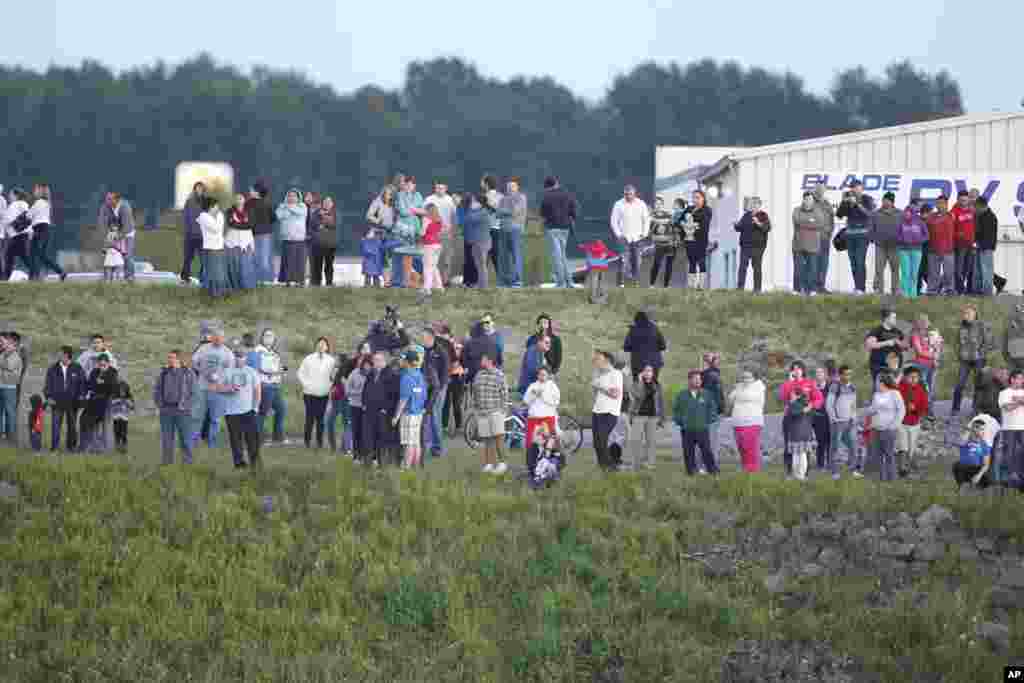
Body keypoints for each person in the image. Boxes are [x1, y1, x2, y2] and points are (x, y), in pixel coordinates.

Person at [218, 343, 262, 469]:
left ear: (246, 358)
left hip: (248, 411)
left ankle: (255, 463)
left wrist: (255, 408)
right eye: (237, 356)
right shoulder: (226, 372)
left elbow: (257, 390)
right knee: (236, 440)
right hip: (231, 412)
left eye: (242, 356)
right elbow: (218, 387)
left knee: (252, 439)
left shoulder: (251, 372)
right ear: (233, 357)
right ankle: (239, 464)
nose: (239, 358)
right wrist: (228, 388)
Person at [859, 372, 906, 482]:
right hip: (876, 429)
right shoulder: (876, 395)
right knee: (878, 455)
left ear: (883, 383)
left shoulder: (895, 394)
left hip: (889, 429)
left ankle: (892, 478)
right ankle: (882, 478)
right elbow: (873, 409)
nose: (875, 383)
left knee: (889, 455)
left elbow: (901, 410)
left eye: (877, 381)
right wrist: (862, 413)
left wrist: (894, 425)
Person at [672, 369, 719, 475]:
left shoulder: (706, 394)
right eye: (695, 379)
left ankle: (713, 470)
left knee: (706, 450)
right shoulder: (682, 395)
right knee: (688, 452)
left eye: (699, 379)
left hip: (702, 428)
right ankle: (691, 471)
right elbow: (676, 410)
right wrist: (681, 421)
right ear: (689, 380)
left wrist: (707, 421)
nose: (698, 381)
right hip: (687, 429)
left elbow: (712, 409)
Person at [153, 349, 195, 465]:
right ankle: (167, 463)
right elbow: (157, 390)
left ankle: (187, 463)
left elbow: (194, 393)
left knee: (185, 439)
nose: (169, 360)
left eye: (172, 357)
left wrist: (187, 406)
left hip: (182, 411)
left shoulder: (188, 373)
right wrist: (160, 404)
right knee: (166, 439)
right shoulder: (164, 373)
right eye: (169, 357)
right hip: (166, 410)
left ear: (179, 359)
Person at [834, 180, 875, 294]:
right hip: (850, 235)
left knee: (860, 261)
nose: (854, 189)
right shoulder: (847, 198)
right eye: (852, 187)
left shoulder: (867, 199)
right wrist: (844, 202)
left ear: (861, 188)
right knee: (853, 262)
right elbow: (839, 215)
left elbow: (870, 214)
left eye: (857, 187)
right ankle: (857, 287)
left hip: (862, 235)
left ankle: (861, 288)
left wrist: (857, 204)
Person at [952, 304, 993, 416]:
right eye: (965, 313)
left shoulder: (981, 325)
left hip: (978, 359)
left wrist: (981, 354)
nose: (966, 315)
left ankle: (976, 409)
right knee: (959, 384)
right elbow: (957, 343)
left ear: (975, 314)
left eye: (969, 313)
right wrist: (959, 354)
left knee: (978, 384)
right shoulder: (962, 326)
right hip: (964, 360)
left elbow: (988, 342)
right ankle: (955, 409)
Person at [361, 351, 400, 466]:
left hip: (382, 412)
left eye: (379, 360)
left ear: (385, 361)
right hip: (369, 410)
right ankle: (370, 461)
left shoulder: (392, 375)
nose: (376, 362)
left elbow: (394, 396)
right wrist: (364, 403)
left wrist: (385, 409)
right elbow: (365, 390)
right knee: (368, 436)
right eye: (375, 360)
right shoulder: (371, 374)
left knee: (381, 438)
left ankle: (381, 462)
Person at [43, 346, 85, 452]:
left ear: (66, 355)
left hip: (72, 402)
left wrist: (81, 397)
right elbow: (48, 384)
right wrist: (48, 397)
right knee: (55, 426)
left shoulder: (77, 368)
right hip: (57, 402)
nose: (58, 355)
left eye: (60, 353)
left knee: (72, 426)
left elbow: (82, 384)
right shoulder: (53, 368)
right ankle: (54, 447)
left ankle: (71, 447)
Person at [472, 354, 509, 474]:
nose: (480, 361)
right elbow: (475, 392)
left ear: (489, 360)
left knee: (498, 438)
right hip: (482, 412)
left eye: (483, 359)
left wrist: (503, 411)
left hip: (496, 411)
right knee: (487, 439)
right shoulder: (479, 375)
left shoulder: (499, 375)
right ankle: (489, 464)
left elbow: (504, 394)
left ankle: (502, 463)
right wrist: (476, 409)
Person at [297, 337, 336, 450]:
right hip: (309, 393)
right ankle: (307, 441)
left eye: (324, 344)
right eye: (319, 344)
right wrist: (306, 384)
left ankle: (319, 442)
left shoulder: (331, 360)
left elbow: (333, 376)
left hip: (323, 394)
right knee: (309, 418)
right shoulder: (308, 358)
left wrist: (330, 387)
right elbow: (300, 373)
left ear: (327, 347)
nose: (321, 346)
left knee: (321, 420)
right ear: (316, 345)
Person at [539, 176, 578, 288]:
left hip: (552, 229)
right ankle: (569, 282)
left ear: (547, 187)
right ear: (556, 183)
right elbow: (574, 211)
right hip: (565, 228)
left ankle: (560, 283)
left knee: (557, 256)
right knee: (563, 255)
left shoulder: (547, 196)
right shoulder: (567, 194)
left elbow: (542, 213)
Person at [609, 185, 649, 287]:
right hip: (624, 237)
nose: (628, 196)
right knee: (623, 260)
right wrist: (619, 235)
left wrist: (644, 234)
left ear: (634, 194)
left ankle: (634, 282)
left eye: (630, 194)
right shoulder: (618, 204)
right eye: (626, 194)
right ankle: (621, 283)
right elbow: (614, 221)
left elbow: (646, 220)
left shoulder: (641, 204)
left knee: (637, 260)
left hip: (638, 238)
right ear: (624, 194)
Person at [393, 351, 427, 469]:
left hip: (409, 413)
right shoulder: (420, 375)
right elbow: (424, 395)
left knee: (408, 442)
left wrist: (396, 417)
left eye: (404, 360)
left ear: (407, 362)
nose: (402, 362)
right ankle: (416, 466)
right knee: (416, 441)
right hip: (419, 412)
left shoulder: (406, 378)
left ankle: (406, 467)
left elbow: (403, 400)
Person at [627, 364, 665, 470]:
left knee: (651, 441)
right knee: (636, 441)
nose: (648, 373)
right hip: (638, 416)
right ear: (642, 373)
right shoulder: (635, 384)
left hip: (653, 416)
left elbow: (661, 402)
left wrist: (662, 418)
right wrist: (640, 382)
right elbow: (638, 395)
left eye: (650, 371)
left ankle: (650, 463)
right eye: (646, 371)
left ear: (653, 373)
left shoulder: (657, 385)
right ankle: (636, 464)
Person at [591, 351, 623, 471]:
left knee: (602, 439)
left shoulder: (616, 374)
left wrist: (600, 386)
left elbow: (615, 394)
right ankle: (602, 465)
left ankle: (610, 466)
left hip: (610, 412)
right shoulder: (600, 375)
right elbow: (596, 395)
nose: (596, 361)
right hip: (597, 411)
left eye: (598, 359)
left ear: (607, 360)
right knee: (596, 442)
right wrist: (596, 384)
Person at [392, 176, 427, 288]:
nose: (408, 186)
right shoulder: (399, 195)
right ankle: (398, 282)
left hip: (415, 230)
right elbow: (403, 211)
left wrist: (413, 210)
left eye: (411, 184)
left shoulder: (418, 195)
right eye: (406, 184)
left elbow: (423, 211)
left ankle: (424, 279)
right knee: (400, 255)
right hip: (402, 230)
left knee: (416, 256)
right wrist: (415, 210)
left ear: (414, 185)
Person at [728, 369, 765, 473]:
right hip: (738, 421)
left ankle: (752, 468)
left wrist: (738, 390)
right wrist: (737, 389)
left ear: (754, 378)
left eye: (748, 377)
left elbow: (748, 396)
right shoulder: (739, 387)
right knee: (741, 446)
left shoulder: (758, 387)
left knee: (750, 446)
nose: (745, 380)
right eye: (743, 377)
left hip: (752, 421)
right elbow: (730, 399)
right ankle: (745, 466)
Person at [421, 329, 450, 459]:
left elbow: (445, 372)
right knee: (426, 416)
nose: (423, 340)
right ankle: (427, 444)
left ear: (431, 338)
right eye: (422, 338)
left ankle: (437, 448)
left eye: (425, 337)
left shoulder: (441, 352)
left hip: (438, 389)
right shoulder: (422, 351)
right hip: (424, 387)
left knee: (434, 416)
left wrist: (440, 389)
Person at [27, 184, 66, 281]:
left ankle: (59, 271)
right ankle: (33, 277)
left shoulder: (39, 202)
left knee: (37, 255)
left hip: (39, 230)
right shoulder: (47, 203)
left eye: (35, 190)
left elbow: (29, 215)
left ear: (40, 192)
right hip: (44, 230)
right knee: (38, 255)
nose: (34, 191)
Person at [80, 354, 117, 453]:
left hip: (107, 402)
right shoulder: (94, 371)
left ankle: (107, 449)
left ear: (108, 363)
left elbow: (112, 387)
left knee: (106, 426)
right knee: (94, 425)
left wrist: (102, 383)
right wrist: (97, 384)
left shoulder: (113, 372)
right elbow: (90, 385)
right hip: (94, 402)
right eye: (100, 364)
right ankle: (95, 447)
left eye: (104, 365)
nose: (102, 366)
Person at [826, 365, 858, 479]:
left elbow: (853, 405)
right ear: (840, 375)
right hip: (837, 423)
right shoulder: (835, 387)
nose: (848, 376)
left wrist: (854, 417)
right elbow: (829, 404)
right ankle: (834, 471)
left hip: (850, 422)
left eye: (849, 374)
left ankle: (853, 469)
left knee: (853, 446)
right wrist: (834, 418)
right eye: (845, 374)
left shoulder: (853, 387)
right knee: (835, 447)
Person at [867, 191, 902, 295]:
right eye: (883, 200)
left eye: (886, 200)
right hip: (880, 246)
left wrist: (901, 240)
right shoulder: (875, 213)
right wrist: (873, 238)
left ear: (892, 202)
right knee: (879, 269)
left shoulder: (900, 213)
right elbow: (870, 228)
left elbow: (904, 228)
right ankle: (878, 290)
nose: (884, 202)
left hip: (895, 247)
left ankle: (895, 290)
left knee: (895, 269)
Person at [792, 192, 826, 295]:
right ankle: (797, 289)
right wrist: (811, 221)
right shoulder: (796, 210)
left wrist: (806, 223)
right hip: (798, 245)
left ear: (813, 201)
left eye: (810, 199)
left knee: (812, 269)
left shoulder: (818, 211)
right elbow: (797, 221)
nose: (808, 201)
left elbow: (820, 223)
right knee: (798, 269)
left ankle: (812, 290)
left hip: (813, 245)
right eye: (806, 199)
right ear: (803, 200)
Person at [897, 367, 928, 476]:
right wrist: (905, 406)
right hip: (901, 422)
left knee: (911, 446)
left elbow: (924, 406)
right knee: (903, 446)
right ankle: (902, 467)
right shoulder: (900, 388)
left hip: (914, 423)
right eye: (911, 377)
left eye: (916, 377)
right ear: (905, 378)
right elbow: (895, 403)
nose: (914, 379)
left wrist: (915, 409)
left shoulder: (921, 390)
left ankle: (911, 461)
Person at [425, 181, 457, 286]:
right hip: (433, 234)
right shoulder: (429, 199)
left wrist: (452, 231)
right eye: (437, 188)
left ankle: (445, 280)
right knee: (434, 260)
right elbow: (424, 214)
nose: (439, 190)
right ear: (434, 188)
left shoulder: (450, 200)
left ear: (446, 188)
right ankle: (435, 282)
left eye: (442, 188)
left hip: (447, 233)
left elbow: (453, 216)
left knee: (447, 259)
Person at [735, 200, 771, 293]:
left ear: (759, 205)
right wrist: (736, 225)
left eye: (755, 205)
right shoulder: (746, 215)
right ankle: (740, 288)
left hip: (758, 247)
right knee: (742, 267)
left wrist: (758, 223)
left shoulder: (763, 215)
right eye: (752, 205)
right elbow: (739, 227)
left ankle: (757, 289)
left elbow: (767, 228)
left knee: (757, 267)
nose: (753, 206)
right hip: (745, 246)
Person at [497, 177, 527, 288]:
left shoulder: (521, 197)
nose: (510, 188)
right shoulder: (503, 199)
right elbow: (497, 213)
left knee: (516, 255)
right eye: (508, 186)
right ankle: (504, 281)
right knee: (503, 257)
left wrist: (504, 211)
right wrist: (506, 212)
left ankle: (517, 281)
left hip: (516, 229)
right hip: (503, 229)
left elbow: (515, 211)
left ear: (517, 187)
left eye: (512, 186)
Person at [273, 189, 308, 286]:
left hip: (299, 239)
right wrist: (288, 210)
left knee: (299, 262)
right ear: (286, 197)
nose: (291, 198)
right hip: (287, 239)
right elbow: (279, 215)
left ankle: (300, 281)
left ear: (298, 197)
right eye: (289, 196)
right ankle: (287, 281)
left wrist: (288, 208)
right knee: (287, 261)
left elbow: (300, 213)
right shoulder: (281, 206)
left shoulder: (303, 206)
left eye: (294, 196)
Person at [197, 196, 229, 298]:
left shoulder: (219, 215)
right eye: (216, 206)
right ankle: (214, 293)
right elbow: (215, 229)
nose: (218, 208)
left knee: (220, 271)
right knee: (213, 272)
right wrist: (218, 218)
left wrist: (218, 217)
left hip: (219, 246)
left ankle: (221, 293)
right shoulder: (203, 217)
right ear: (210, 207)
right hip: (210, 248)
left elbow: (219, 227)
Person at [864, 308, 905, 385]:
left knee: (894, 390)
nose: (895, 320)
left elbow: (905, 346)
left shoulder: (897, 331)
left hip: (895, 368)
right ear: (886, 319)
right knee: (881, 389)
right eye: (893, 318)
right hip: (880, 367)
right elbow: (868, 345)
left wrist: (900, 344)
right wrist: (886, 343)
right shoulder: (877, 330)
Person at [925, 195, 956, 295]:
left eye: (942, 203)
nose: (940, 205)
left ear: (947, 205)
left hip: (948, 250)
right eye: (938, 203)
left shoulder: (952, 216)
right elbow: (926, 231)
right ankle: (932, 291)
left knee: (949, 273)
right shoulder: (930, 217)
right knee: (933, 274)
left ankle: (949, 291)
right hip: (933, 251)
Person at [225, 193, 256, 292]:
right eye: (237, 198)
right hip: (232, 240)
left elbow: (251, 224)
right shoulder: (230, 211)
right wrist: (243, 224)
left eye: (241, 198)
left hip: (246, 240)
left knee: (246, 263)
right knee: (233, 263)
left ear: (244, 200)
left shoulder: (250, 210)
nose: (238, 200)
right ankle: (234, 286)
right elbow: (230, 223)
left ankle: (247, 285)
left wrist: (238, 224)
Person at [524, 366, 560, 451]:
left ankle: (547, 462)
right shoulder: (533, 385)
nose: (541, 377)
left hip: (547, 418)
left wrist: (543, 396)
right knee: (532, 445)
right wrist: (534, 395)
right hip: (534, 418)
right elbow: (526, 400)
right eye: (539, 375)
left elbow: (556, 401)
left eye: (543, 375)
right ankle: (532, 463)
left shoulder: (552, 386)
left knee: (548, 444)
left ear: (548, 375)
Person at [623, 311, 667, 382]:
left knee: (638, 386)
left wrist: (636, 347)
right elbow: (663, 346)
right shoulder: (655, 328)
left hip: (638, 364)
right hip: (654, 364)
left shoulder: (633, 329)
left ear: (636, 320)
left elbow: (626, 347)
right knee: (653, 385)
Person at [896, 203, 928, 298]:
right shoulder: (901, 222)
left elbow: (926, 236)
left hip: (917, 251)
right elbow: (897, 235)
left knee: (914, 273)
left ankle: (913, 294)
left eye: (909, 212)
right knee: (905, 273)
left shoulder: (920, 222)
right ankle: (904, 293)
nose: (907, 214)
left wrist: (918, 241)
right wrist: (903, 240)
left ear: (913, 213)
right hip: (903, 251)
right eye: (905, 212)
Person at [683, 190, 713, 290]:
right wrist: (689, 225)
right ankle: (691, 285)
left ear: (703, 198)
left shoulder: (707, 210)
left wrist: (691, 224)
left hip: (701, 240)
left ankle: (701, 285)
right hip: (689, 240)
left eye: (697, 197)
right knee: (691, 262)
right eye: (694, 197)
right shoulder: (689, 209)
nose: (695, 200)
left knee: (701, 261)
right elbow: (681, 221)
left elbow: (704, 224)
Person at [999, 370, 1024, 489]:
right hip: (1009, 428)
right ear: (1012, 379)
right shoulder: (1004, 393)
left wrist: (1018, 401)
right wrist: (1020, 402)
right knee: (1009, 453)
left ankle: (1020, 477)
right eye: (1019, 378)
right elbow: (1007, 407)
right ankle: (1008, 478)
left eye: (1022, 378)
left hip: (1022, 427)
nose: (1022, 381)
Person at [784, 387, 815, 481]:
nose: (790, 396)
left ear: (797, 395)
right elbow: (811, 416)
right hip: (806, 433)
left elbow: (793, 414)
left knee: (798, 456)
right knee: (802, 455)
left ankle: (799, 475)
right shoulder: (806, 404)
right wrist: (806, 409)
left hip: (796, 434)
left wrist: (803, 410)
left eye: (792, 394)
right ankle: (801, 475)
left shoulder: (793, 404)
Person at [247, 179, 275, 285]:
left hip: (264, 235)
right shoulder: (248, 203)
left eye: (252, 189)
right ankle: (254, 280)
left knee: (264, 259)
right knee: (253, 258)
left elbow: (273, 217)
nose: (250, 191)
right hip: (251, 235)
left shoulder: (266, 203)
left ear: (257, 191)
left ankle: (265, 280)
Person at [463, 314, 504, 384]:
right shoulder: (495, 343)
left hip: (474, 377)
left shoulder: (469, 343)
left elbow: (464, 361)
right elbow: (500, 361)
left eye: (487, 322)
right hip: (492, 377)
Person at [648, 196, 678, 288]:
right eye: (656, 204)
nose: (658, 205)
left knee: (669, 265)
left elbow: (673, 228)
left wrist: (675, 240)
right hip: (658, 245)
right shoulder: (650, 216)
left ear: (662, 205)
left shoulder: (668, 215)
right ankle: (652, 284)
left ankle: (666, 286)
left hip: (670, 244)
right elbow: (649, 232)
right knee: (656, 264)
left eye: (660, 204)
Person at [954, 419, 993, 490]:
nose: (979, 431)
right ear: (972, 429)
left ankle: (978, 487)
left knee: (989, 473)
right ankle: (961, 486)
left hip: (976, 469)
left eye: (982, 429)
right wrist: (969, 431)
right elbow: (960, 441)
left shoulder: (984, 445)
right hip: (964, 468)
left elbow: (986, 464)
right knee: (957, 465)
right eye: (977, 428)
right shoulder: (966, 441)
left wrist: (979, 475)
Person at [2, 188, 32, 280]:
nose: (9, 196)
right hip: (20, 236)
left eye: (11, 194)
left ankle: (5, 278)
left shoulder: (16, 204)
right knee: (11, 257)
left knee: (10, 257)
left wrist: (8, 222)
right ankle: (5, 278)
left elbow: (7, 219)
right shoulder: (24, 204)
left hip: (18, 236)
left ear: (16, 195)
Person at [345, 355, 371, 456]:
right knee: (356, 430)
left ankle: (365, 454)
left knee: (366, 432)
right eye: (366, 364)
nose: (367, 367)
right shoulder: (354, 373)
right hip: (355, 406)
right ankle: (356, 454)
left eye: (369, 365)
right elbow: (347, 391)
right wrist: (360, 392)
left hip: (368, 408)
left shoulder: (373, 374)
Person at [951, 190, 976, 295]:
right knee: (958, 269)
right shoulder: (954, 212)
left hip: (970, 244)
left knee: (968, 268)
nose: (963, 202)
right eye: (961, 200)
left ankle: (963, 288)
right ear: (958, 200)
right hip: (959, 245)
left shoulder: (972, 211)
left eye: (965, 200)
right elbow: (950, 228)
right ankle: (959, 289)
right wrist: (957, 234)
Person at [526, 423, 566, 489]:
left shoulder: (551, 443)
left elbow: (560, 458)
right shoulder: (533, 448)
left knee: (551, 465)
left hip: (550, 465)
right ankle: (538, 481)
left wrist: (550, 448)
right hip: (538, 468)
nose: (541, 438)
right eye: (539, 434)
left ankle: (548, 480)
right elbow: (531, 464)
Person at [310, 195, 338, 287]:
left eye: (329, 202)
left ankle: (329, 283)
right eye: (325, 202)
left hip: (330, 244)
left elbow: (333, 224)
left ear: (332, 204)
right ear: (322, 204)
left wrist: (323, 218)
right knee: (317, 265)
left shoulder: (335, 213)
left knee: (329, 265)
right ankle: (316, 283)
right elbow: (313, 224)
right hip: (318, 244)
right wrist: (322, 224)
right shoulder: (316, 213)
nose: (327, 204)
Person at [418, 203, 444, 301]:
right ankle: (439, 286)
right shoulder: (439, 219)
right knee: (433, 266)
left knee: (427, 268)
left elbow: (422, 232)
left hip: (429, 245)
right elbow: (440, 231)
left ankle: (427, 288)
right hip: (437, 245)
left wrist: (420, 239)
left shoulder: (426, 219)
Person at [181, 182, 206, 283]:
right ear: (194, 189)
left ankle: (203, 278)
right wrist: (187, 231)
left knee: (203, 258)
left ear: (203, 190)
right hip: (190, 235)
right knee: (188, 257)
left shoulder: (206, 202)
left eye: (201, 188)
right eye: (197, 188)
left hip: (202, 235)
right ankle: (185, 277)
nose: (199, 190)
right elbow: (186, 217)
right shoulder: (189, 201)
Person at [812, 184, 834, 292]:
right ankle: (813, 286)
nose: (820, 192)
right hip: (813, 238)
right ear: (814, 191)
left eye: (822, 190)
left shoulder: (827, 204)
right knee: (813, 262)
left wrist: (829, 233)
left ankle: (821, 286)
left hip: (825, 238)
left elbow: (831, 219)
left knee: (824, 262)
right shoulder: (810, 202)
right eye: (818, 190)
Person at [0, 335, 22, 443]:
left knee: (10, 411)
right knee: (1, 411)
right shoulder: (3, 354)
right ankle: (2, 433)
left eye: (9, 344)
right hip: (1, 385)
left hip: (10, 387)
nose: (6, 346)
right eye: (6, 344)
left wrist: (3, 364)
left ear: (14, 346)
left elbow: (8, 366)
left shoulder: (16, 357)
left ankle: (11, 435)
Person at [974, 196, 998, 296]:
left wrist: (980, 244)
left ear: (981, 206)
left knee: (987, 271)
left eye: (976, 207)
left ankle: (987, 293)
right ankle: (978, 291)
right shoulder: (982, 215)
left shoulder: (990, 217)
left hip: (986, 248)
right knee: (979, 271)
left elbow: (988, 235)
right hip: (981, 247)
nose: (975, 209)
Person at [579, 239, 614, 304]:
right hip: (601, 265)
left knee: (594, 280)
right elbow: (610, 254)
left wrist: (583, 247)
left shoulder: (591, 246)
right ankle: (599, 296)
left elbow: (583, 247)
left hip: (594, 265)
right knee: (601, 280)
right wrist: (606, 255)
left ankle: (594, 297)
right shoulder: (603, 247)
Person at [443, 337, 466, 435]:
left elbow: (462, 360)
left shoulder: (459, 347)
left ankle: (458, 426)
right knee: (446, 403)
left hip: (457, 377)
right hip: (449, 376)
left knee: (456, 403)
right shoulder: (446, 347)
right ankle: (444, 426)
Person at [108, 379, 134, 454]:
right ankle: (117, 446)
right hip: (116, 417)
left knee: (123, 433)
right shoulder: (114, 396)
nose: (122, 392)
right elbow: (111, 404)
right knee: (117, 432)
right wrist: (118, 401)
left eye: (123, 390)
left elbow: (132, 406)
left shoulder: (128, 397)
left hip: (124, 418)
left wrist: (127, 402)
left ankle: (124, 447)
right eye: (120, 390)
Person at [1004, 304, 1024, 372]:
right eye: (1017, 312)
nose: (1020, 314)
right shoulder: (1009, 329)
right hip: (1012, 362)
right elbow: (1004, 346)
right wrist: (1008, 359)